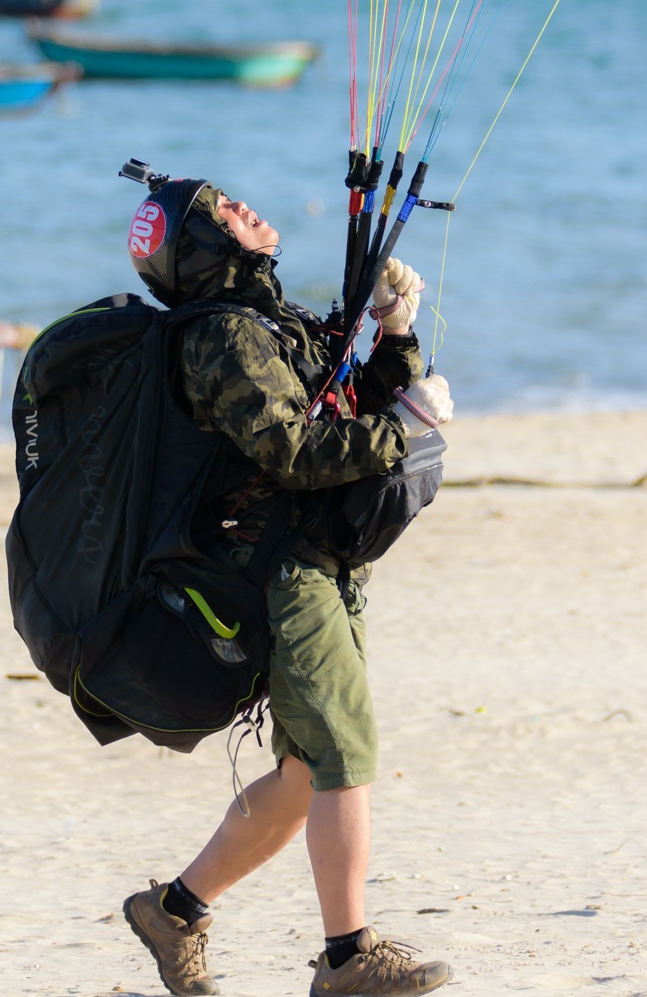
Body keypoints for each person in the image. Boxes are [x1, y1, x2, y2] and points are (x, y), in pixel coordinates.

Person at [119, 180, 455, 997]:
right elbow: (296, 454)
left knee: (308, 770)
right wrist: (401, 432)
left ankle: (174, 910)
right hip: (279, 574)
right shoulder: (226, 338)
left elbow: (346, 408)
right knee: (342, 754)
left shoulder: (274, 323)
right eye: (224, 212)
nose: (247, 209)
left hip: (324, 561)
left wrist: (396, 336)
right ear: (201, 248)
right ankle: (348, 958)